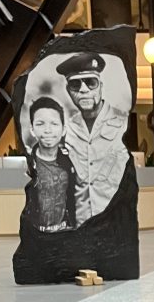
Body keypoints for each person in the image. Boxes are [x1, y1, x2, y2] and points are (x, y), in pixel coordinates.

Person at [56, 51, 131, 225]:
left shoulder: (123, 122)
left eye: (90, 82)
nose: (83, 90)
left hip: (114, 218)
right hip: (81, 222)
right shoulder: (65, 129)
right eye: (75, 84)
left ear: (100, 86)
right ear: (68, 91)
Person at [24, 96, 76, 232]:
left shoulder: (72, 162)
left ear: (63, 129)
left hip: (66, 231)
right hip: (36, 233)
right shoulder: (28, 164)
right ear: (32, 129)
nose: (48, 130)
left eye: (54, 124)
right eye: (40, 124)